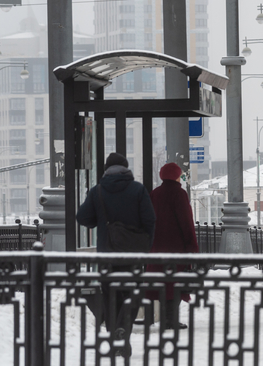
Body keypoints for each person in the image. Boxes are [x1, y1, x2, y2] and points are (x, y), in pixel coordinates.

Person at [76, 152, 156, 357]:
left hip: (107, 255)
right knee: (133, 294)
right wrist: (145, 245)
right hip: (134, 255)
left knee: (110, 297)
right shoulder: (138, 189)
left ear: (106, 169)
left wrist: (101, 221)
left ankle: (115, 340)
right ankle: (123, 333)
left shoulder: (98, 191)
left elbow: (83, 217)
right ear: (126, 168)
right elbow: (150, 220)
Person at [147, 162, 198, 330]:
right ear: (175, 175)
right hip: (176, 247)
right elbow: (186, 222)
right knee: (175, 284)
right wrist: (192, 246)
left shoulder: (155, 193)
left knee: (163, 283)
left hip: (157, 246)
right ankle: (170, 319)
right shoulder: (179, 193)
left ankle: (165, 318)